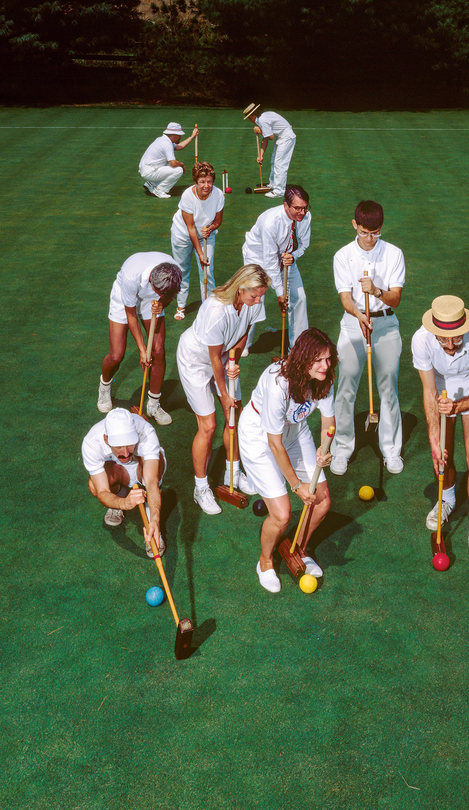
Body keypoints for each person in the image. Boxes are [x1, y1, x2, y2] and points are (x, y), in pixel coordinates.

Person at [238, 328, 337, 593]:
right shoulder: (278, 384)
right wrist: (296, 485)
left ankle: (299, 549)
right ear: (303, 359)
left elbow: (328, 421)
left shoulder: (324, 379)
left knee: (322, 501)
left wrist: (324, 448)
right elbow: (274, 443)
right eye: (319, 360)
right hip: (259, 438)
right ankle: (265, 561)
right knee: (282, 515)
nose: (326, 365)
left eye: (328, 358)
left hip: (295, 432)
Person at [412, 295, 469, 572]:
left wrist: (458, 406)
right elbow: (429, 390)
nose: (450, 347)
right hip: (440, 385)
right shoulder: (421, 340)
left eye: (456, 339)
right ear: (434, 332)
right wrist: (433, 439)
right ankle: (447, 501)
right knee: (442, 455)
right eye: (443, 339)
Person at [176, 264, 271, 515]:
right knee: (208, 426)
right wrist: (225, 395)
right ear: (240, 289)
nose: (258, 301)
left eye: (261, 296)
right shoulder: (216, 310)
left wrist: (235, 360)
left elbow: (244, 333)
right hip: (196, 360)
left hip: (224, 357)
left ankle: (233, 472)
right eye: (254, 296)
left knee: (234, 416)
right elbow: (213, 358)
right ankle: (201, 488)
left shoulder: (253, 302)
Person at [330, 201, 405, 477]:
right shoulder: (343, 256)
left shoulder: (394, 254)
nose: (370, 238)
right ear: (355, 225)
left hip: (385, 324)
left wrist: (375, 291)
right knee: (346, 384)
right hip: (354, 323)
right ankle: (342, 449)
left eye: (375, 233)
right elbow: (345, 298)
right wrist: (360, 316)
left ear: (381, 228)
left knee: (388, 387)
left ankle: (391, 450)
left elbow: (395, 298)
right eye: (364, 232)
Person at [97, 253, 182, 426]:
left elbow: (168, 297)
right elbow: (131, 315)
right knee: (116, 355)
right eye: (159, 291)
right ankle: (104, 387)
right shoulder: (131, 276)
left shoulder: (175, 274)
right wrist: (142, 350)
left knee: (158, 351)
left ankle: (153, 404)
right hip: (124, 297)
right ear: (151, 279)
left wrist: (162, 303)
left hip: (152, 300)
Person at [82, 408, 166, 558]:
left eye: (130, 444)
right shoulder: (92, 442)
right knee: (94, 486)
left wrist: (155, 519)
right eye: (119, 446)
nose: (126, 453)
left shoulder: (145, 431)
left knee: (155, 470)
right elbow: (102, 491)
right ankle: (120, 497)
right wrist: (123, 503)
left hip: (142, 467)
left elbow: (151, 481)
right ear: (106, 439)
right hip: (118, 470)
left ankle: (152, 525)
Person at [242, 184, 311, 354]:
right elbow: (270, 262)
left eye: (305, 207)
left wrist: (293, 256)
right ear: (286, 205)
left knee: (299, 297)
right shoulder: (270, 222)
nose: (302, 212)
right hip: (257, 258)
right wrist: (280, 292)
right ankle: (243, 344)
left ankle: (297, 347)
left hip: (287, 256)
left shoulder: (305, 217)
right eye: (297, 208)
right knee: (254, 299)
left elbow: (304, 244)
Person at [170, 161, 224, 321]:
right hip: (183, 235)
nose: (206, 186)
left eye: (209, 181)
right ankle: (181, 306)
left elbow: (218, 220)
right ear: (195, 181)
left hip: (206, 235)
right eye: (202, 182)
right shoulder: (187, 196)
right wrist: (200, 253)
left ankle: (208, 307)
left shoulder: (218, 194)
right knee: (182, 270)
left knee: (207, 270)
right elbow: (191, 227)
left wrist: (210, 228)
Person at [243, 104, 296, 198]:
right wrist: (261, 155)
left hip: (286, 138)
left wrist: (259, 131)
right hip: (281, 137)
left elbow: (270, 137)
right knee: (273, 161)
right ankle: (273, 184)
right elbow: (265, 138)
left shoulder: (263, 120)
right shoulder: (263, 118)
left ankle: (279, 191)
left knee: (280, 164)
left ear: (253, 115)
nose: (250, 121)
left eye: (250, 118)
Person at [139, 122, 199, 199]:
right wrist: (182, 164)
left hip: (147, 169)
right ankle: (160, 190)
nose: (180, 137)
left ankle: (151, 184)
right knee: (178, 170)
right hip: (149, 172)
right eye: (179, 135)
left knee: (170, 166)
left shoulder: (162, 139)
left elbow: (179, 146)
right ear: (173, 135)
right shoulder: (167, 144)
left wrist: (192, 136)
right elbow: (173, 163)